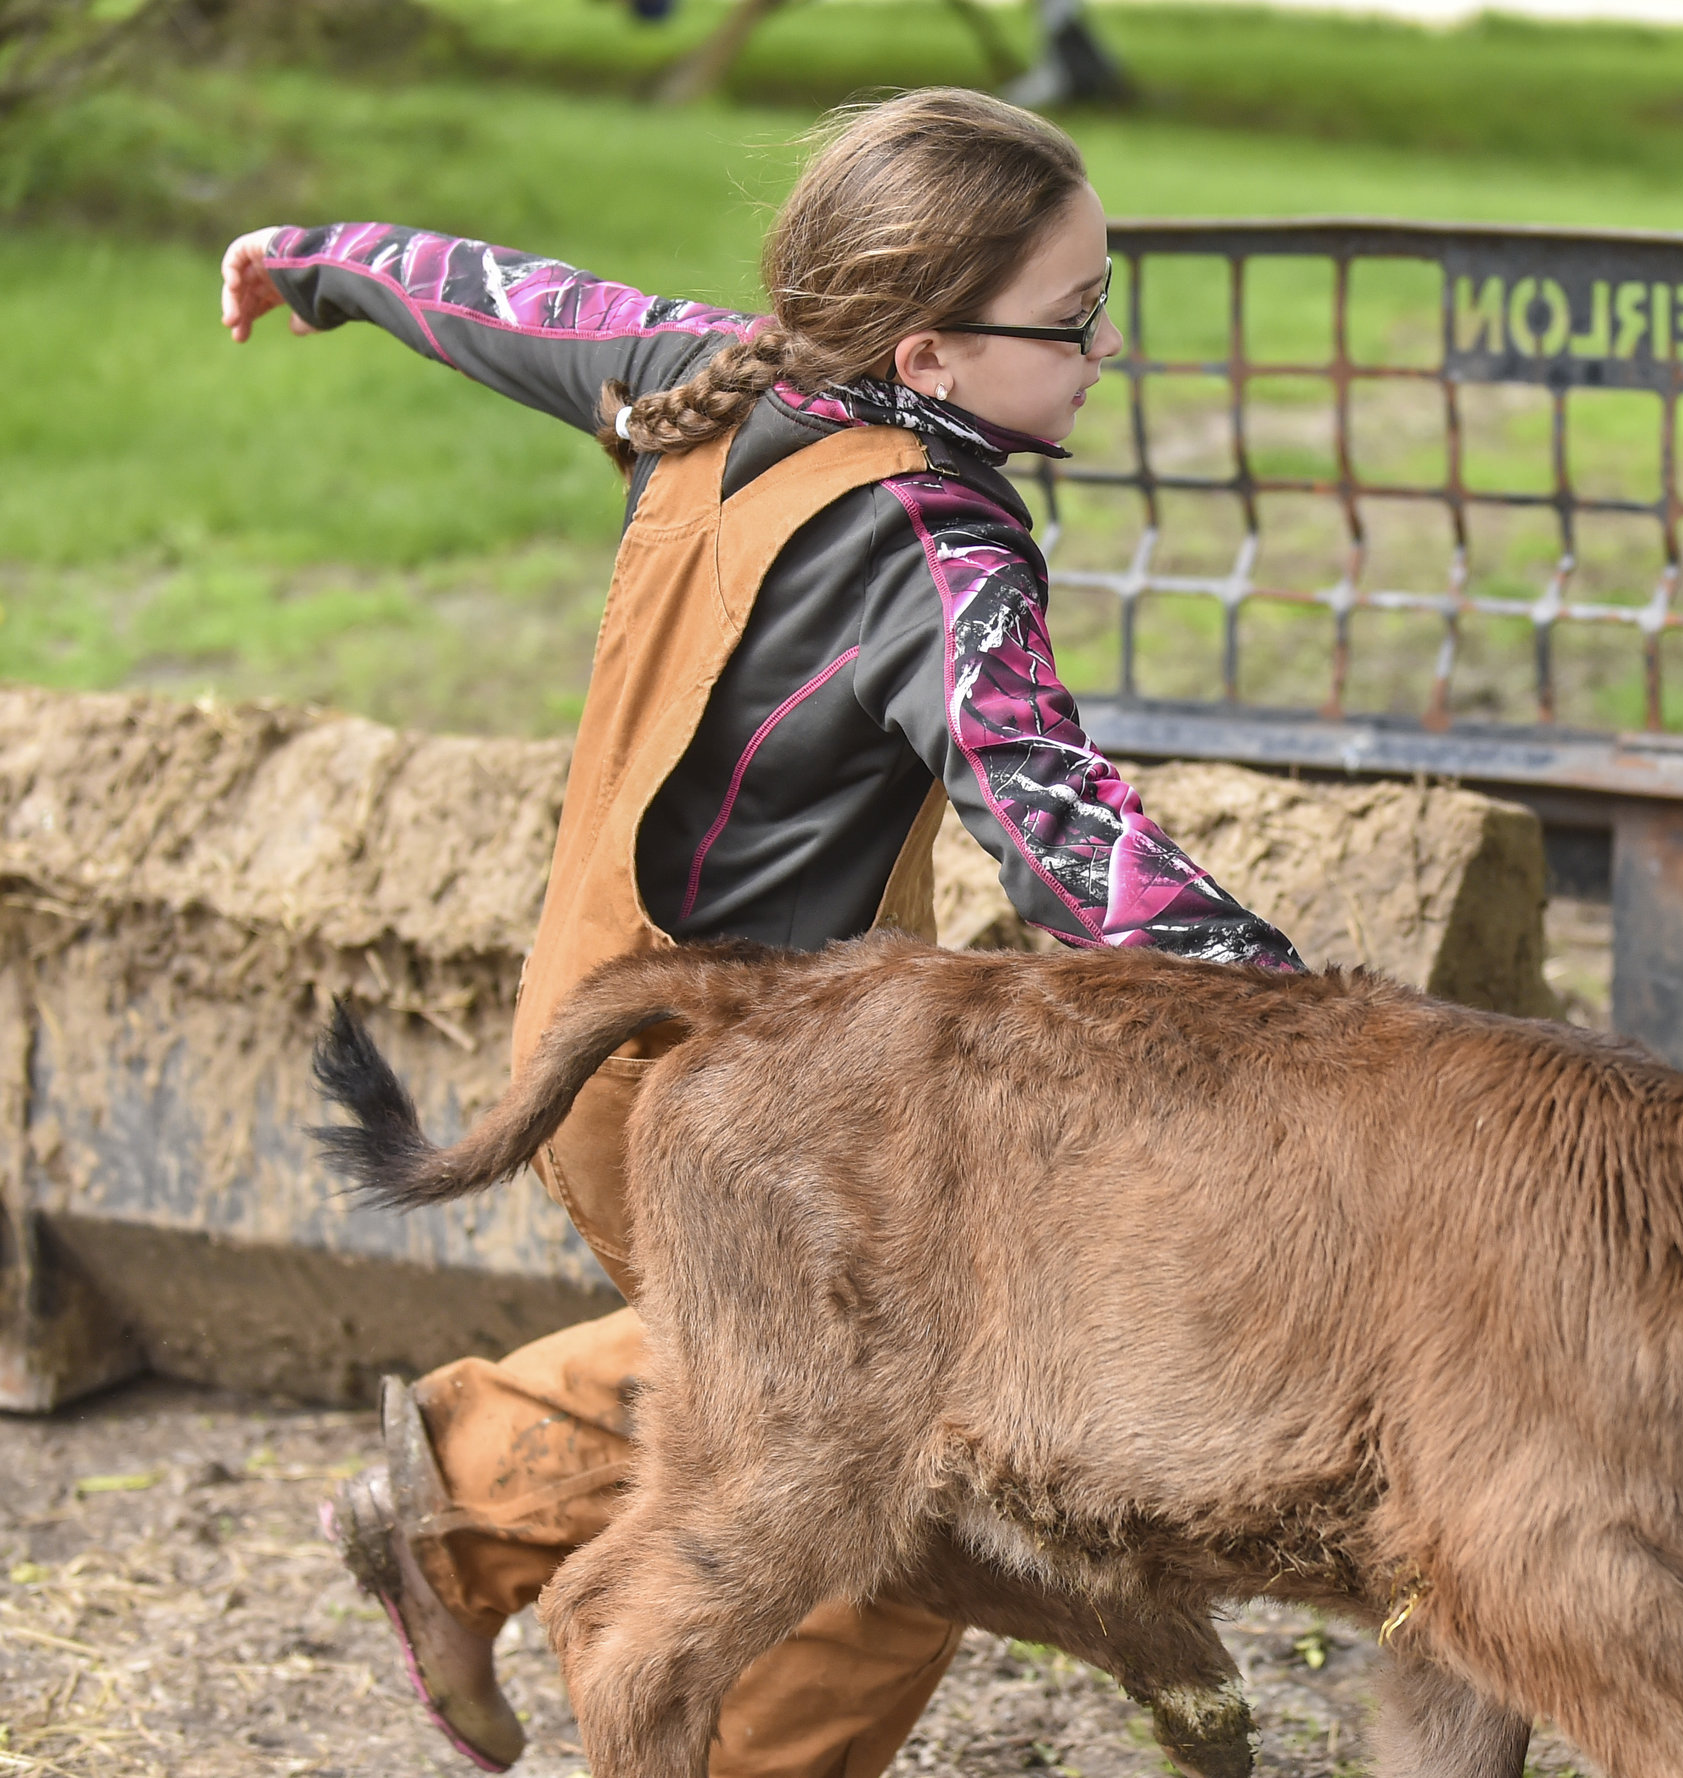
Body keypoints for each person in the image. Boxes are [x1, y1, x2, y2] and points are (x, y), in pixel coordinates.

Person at [218, 87, 1303, 1778]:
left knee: (797, 1380)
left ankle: (467, 1491)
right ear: (931, 355)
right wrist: (1300, 1017)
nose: (1108, 352)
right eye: (1078, 320)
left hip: (594, 1015)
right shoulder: (938, 545)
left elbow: (494, 297)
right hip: (736, 1105)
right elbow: (1062, 821)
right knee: (888, 1489)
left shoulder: (706, 368)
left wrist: (311, 261)